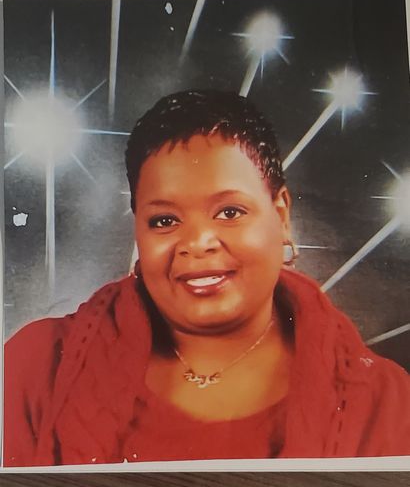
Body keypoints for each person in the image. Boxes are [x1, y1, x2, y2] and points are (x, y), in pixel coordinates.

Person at [4, 90, 410, 467]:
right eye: (164, 220)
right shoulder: (34, 368)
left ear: (281, 215)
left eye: (230, 212)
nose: (197, 243)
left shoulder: (387, 405)